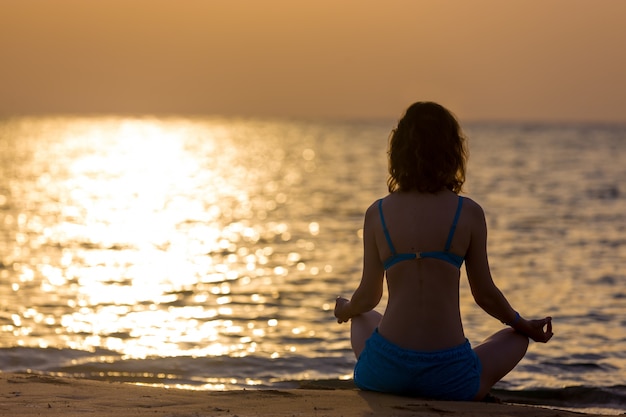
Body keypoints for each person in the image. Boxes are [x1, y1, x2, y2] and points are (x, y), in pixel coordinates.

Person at [334, 101, 553, 401]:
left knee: (363, 316)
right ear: (452, 151)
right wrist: (524, 324)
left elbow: (368, 297)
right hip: (450, 378)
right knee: (517, 339)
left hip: (385, 373)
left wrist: (345, 309)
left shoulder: (377, 213)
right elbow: (485, 295)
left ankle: (389, 364)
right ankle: (473, 381)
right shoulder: (469, 213)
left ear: (398, 151)